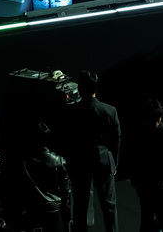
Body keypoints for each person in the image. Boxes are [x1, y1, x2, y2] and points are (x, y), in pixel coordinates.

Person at [66, 71, 120, 232]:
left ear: (81, 89)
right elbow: (116, 139)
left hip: (81, 162)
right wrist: (114, 163)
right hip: (103, 160)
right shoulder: (110, 111)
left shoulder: (72, 111)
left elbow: (68, 138)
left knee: (81, 205)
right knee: (109, 206)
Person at [129, 99, 163, 232]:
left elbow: (136, 160)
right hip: (159, 186)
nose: (157, 122)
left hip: (149, 186)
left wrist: (138, 182)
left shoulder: (141, 134)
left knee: (149, 222)